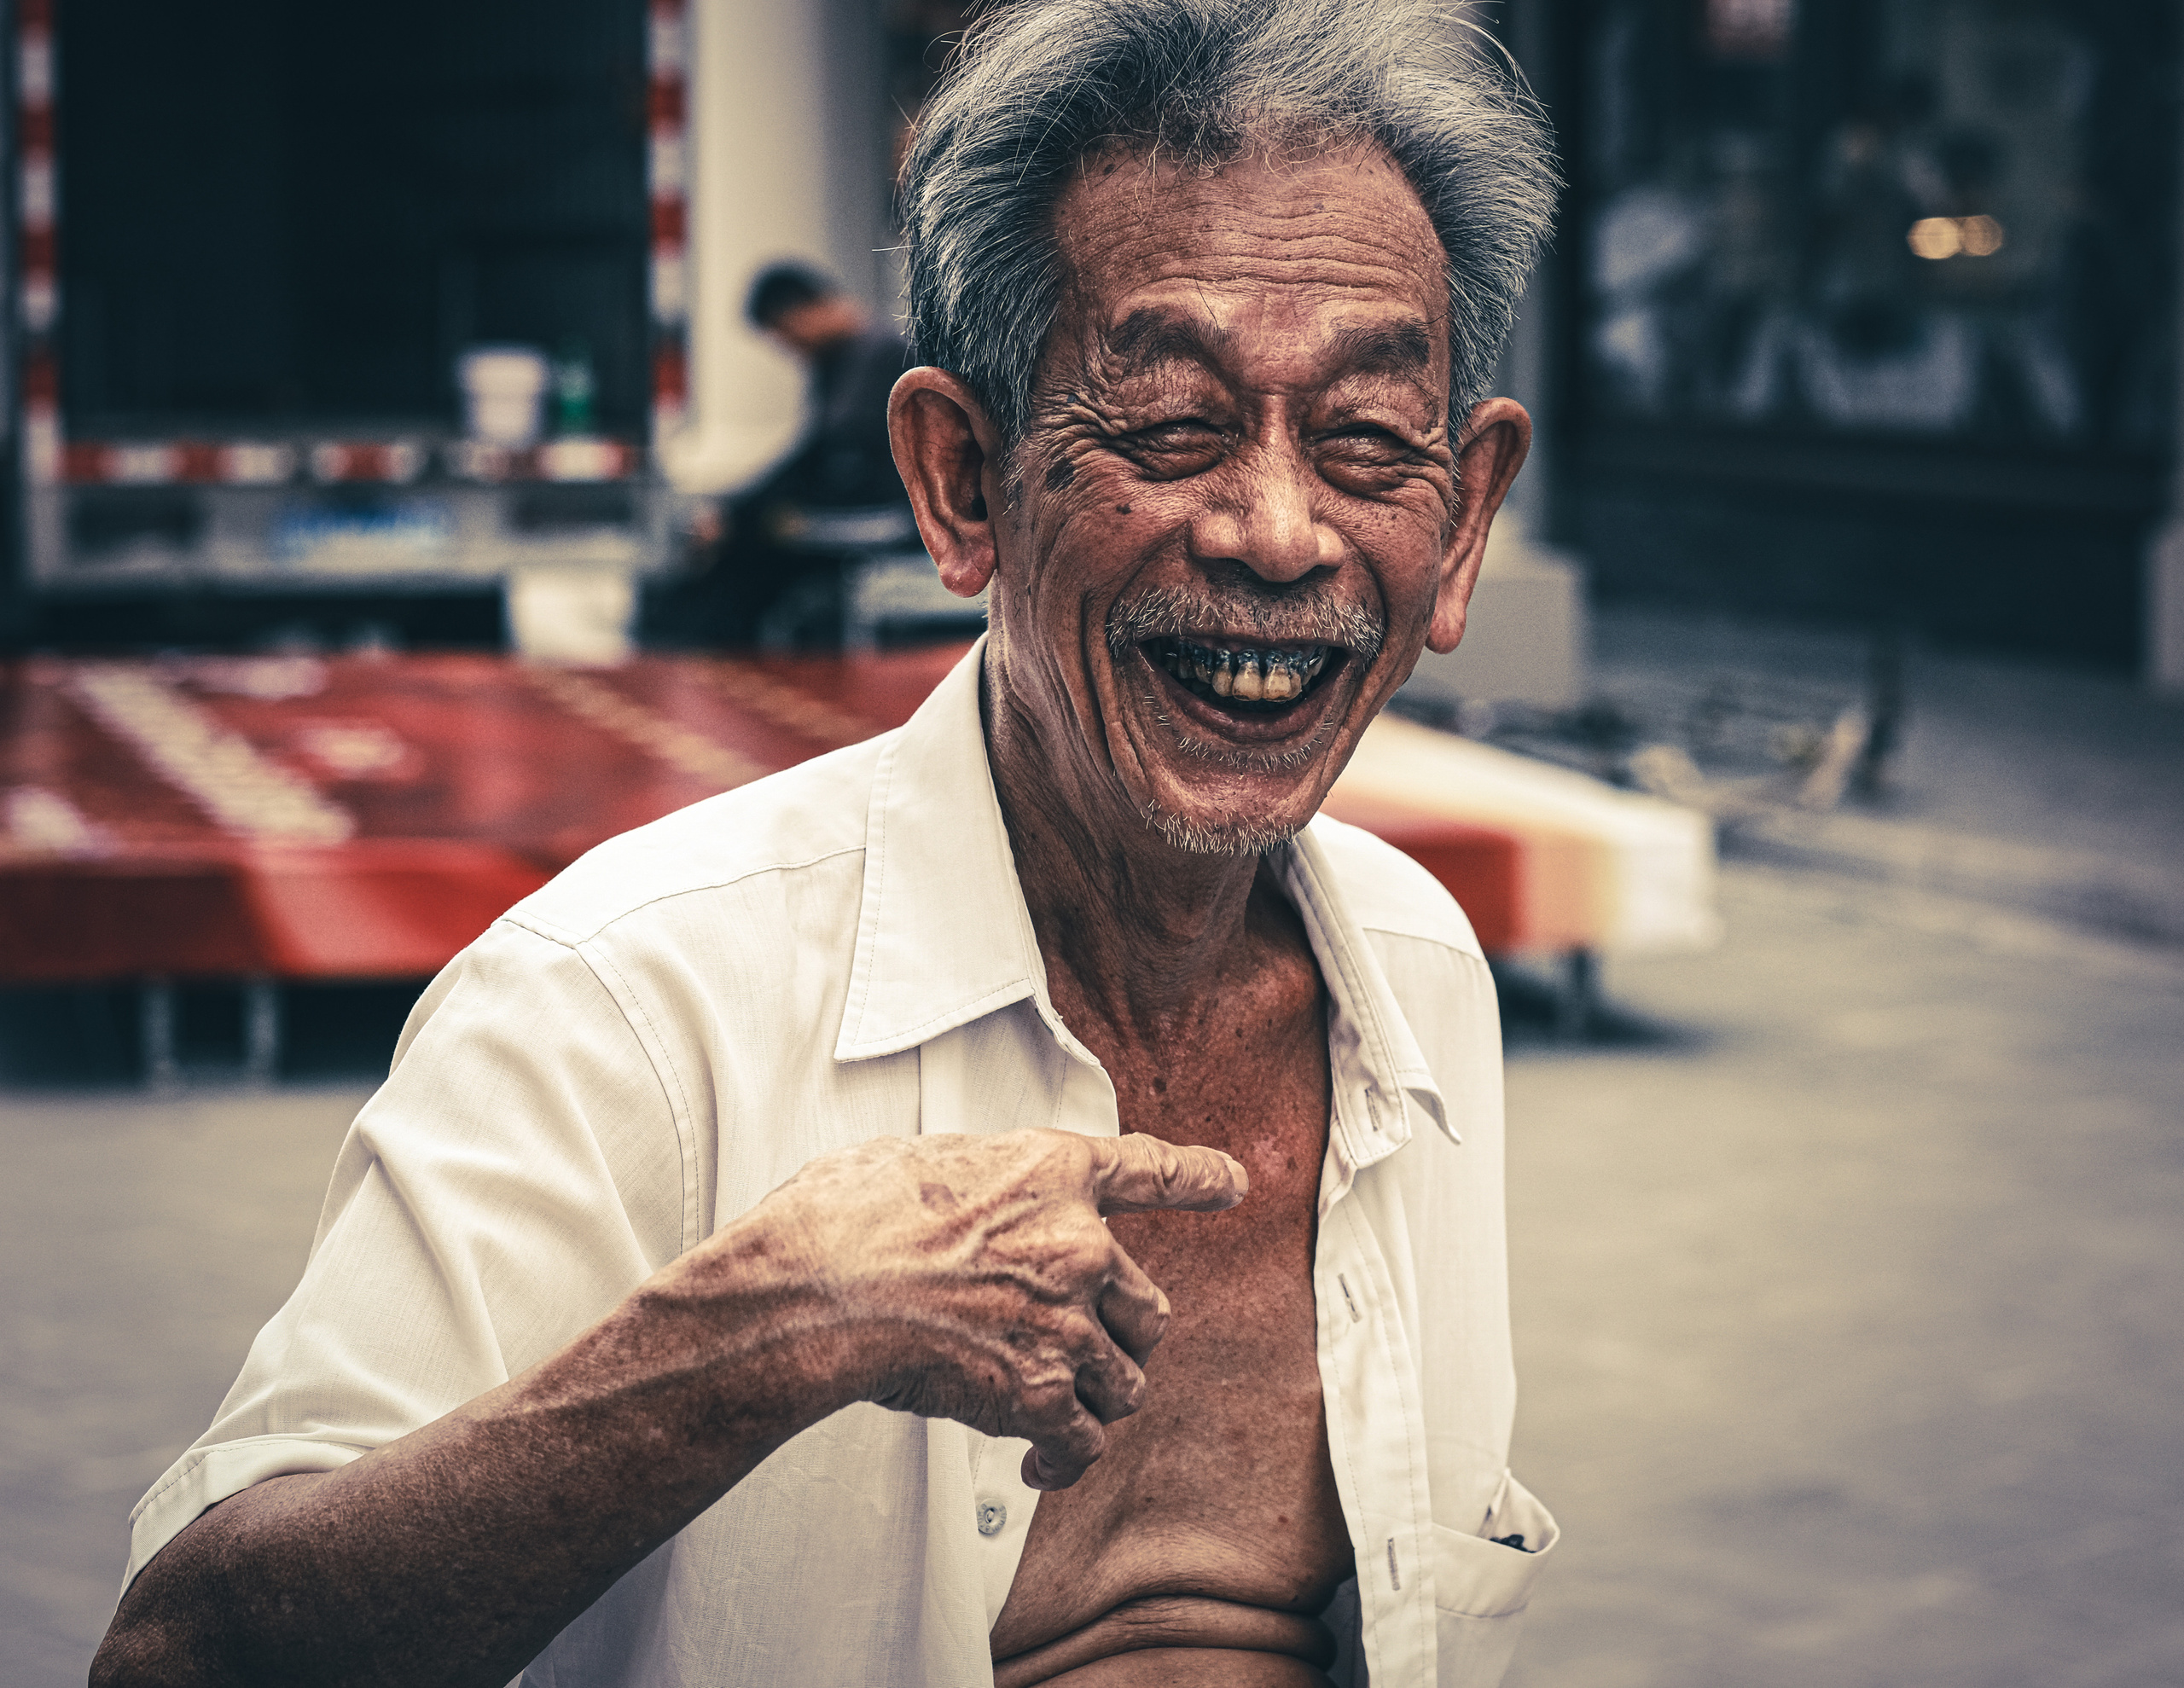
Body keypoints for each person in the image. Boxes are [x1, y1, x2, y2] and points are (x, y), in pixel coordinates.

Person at [91, 1, 1560, 1683]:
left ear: (1459, 526)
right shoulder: (627, 1002)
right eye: (1169, 425)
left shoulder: (1420, 975)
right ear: (959, 481)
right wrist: (753, 1333)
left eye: (1369, 442)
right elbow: (178, 1659)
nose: (1277, 530)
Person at [673, 264, 914, 647]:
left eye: (786, 335)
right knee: (748, 540)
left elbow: (825, 453)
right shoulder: (842, 360)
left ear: (807, 310)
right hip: (858, 503)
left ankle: (715, 654)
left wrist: (737, 513)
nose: (790, 349)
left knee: (751, 546)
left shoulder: (876, 354)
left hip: (890, 514)